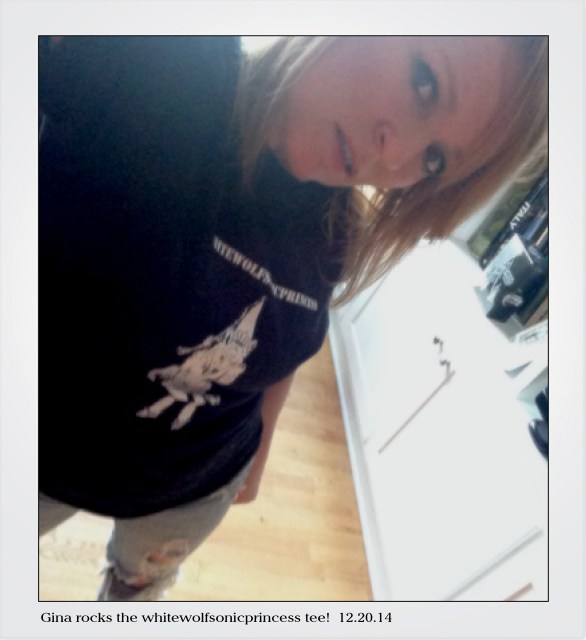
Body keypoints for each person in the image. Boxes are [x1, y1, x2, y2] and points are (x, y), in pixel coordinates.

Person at [39, 35, 548, 601]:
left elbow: (283, 342)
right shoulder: (170, 64)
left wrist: (261, 446)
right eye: (424, 80)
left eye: (434, 160)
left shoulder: (336, 232)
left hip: (192, 492)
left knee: (134, 593)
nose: (396, 157)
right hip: (46, 460)